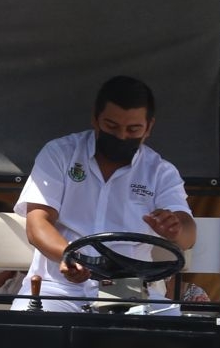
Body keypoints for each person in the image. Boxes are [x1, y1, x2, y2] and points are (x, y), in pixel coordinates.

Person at [12, 76, 195, 312]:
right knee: (29, 330)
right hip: (58, 288)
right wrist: (70, 256)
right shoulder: (59, 153)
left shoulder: (161, 172)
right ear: (95, 119)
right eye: (112, 126)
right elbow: (37, 223)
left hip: (130, 290)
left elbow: (189, 235)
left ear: (149, 128)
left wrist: (176, 230)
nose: (121, 136)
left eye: (133, 129)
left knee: (174, 329)